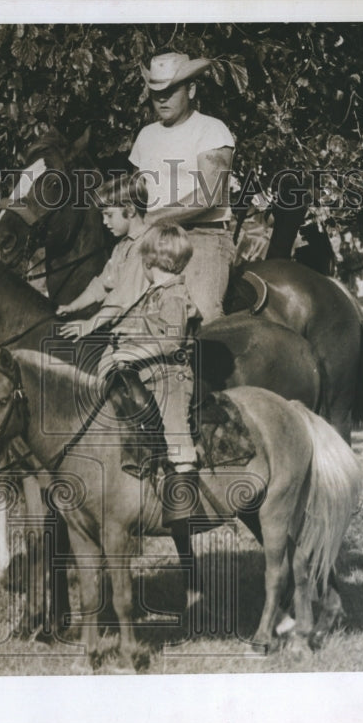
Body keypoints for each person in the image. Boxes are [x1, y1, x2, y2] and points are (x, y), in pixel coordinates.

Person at [103, 224, 203, 526]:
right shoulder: (153, 294)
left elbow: (171, 340)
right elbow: (140, 324)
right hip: (145, 374)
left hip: (171, 375)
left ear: (149, 262)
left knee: (175, 429)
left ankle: (184, 499)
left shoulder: (173, 297)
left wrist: (133, 353)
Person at [129, 51, 237, 325]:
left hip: (203, 237)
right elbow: (139, 193)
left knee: (204, 316)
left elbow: (209, 195)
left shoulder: (211, 130)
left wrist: (155, 218)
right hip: (155, 240)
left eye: (170, 90)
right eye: (155, 92)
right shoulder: (146, 136)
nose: (162, 99)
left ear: (191, 89)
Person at [55, 173, 151, 336]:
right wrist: (73, 306)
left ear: (130, 210)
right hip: (125, 327)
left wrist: (89, 325)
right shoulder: (122, 245)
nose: (105, 222)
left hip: (146, 330)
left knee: (105, 361)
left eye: (109, 215)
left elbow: (123, 297)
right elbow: (102, 284)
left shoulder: (147, 244)